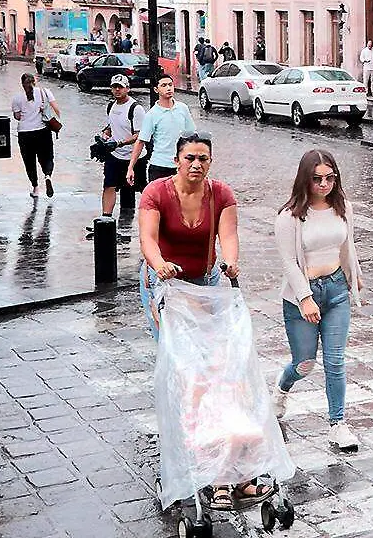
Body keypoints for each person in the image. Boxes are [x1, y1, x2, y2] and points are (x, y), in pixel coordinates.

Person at [136, 132, 270, 509]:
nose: (196, 164)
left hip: (207, 281)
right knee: (187, 369)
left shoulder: (221, 194)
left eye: (203, 158)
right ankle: (198, 458)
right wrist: (160, 264)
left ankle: (231, 462)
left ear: (210, 162)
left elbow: (229, 235)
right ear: (177, 160)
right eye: (190, 157)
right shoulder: (157, 193)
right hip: (167, 286)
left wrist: (230, 261)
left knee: (220, 367)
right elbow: (147, 239)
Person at [274, 149, 365, 453]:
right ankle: (281, 389)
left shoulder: (343, 208)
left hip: (336, 291)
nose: (324, 184)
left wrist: (354, 275)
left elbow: (346, 245)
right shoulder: (290, 216)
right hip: (303, 295)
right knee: (305, 363)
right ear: (305, 179)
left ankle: (338, 425)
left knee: (336, 360)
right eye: (317, 179)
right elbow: (288, 262)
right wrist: (305, 298)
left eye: (330, 177)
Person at [127, 75, 196, 186]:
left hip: (181, 166)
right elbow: (140, 141)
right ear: (156, 89)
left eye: (170, 85)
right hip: (159, 167)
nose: (168, 88)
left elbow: (192, 136)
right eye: (164, 85)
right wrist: (130, 168)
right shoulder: (152, 115)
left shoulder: (183, 109)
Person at [99, 75, 147, 216]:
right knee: (109, 185)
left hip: (135, 157)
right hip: (115, 155)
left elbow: (140, 135)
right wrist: (105, 134)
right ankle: (105, 218)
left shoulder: (136, 108)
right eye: (115, 87)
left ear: (128, 88)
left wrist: (120, 143)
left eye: (121, 87)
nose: (117, 90)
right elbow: (111, 124)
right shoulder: (111, 106)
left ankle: (155, 216)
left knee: (142, 188)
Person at [11, 73, 60, 198]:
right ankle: (48, 176)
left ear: (22, 84)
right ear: (35, 81)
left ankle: (35, 188)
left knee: (29, 161)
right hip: (42, 131)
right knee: (47, 157)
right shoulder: (45, 92)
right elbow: (56, 109)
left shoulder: (17, 98)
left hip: (24, 133)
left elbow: (17, 117)